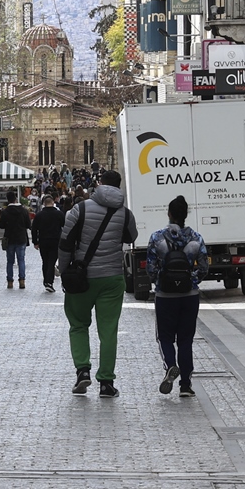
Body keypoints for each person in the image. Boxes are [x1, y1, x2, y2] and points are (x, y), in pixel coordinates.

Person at [58, 170, 138, 398]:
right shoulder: (125, 213)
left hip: (82, 278)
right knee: (109, 330)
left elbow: (65, 245)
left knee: (78, 325)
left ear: (100, 184)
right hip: (112, 279)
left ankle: (83, 371)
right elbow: (131, 237)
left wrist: (65, 273)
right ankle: (106, 383)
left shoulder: (79, 209)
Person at [146, 196, 207, 397]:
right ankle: (186, 385)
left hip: (165, 295)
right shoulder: (196, 238)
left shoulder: (157, 238)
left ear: (169, 214)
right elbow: (204, 266)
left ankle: (171, 365)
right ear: (186, 214)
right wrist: (193, 280)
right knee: (186, 339)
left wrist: (159, 282)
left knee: (164, 336)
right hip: (189, 295)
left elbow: (151, 268)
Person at [31, 194, 65, 293]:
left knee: (45, 261)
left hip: (43, 241)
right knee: (52, 261)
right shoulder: (59, 214)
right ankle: (49, 282)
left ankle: (46, 280)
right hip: (55, 241)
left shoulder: (39, 215)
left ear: (44, 204)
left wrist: (35, 242)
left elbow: (34, 229)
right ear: (53, 202)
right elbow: (65, 226)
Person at [0, 190, 31, 289]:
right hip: (21, 238)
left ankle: (10, 281)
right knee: (21, 260)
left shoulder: (5, 211)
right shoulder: (24, 210)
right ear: (16, 199)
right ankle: (22, 281)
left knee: (10, 261)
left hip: (10, 239)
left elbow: (1, 225)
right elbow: (28, 225)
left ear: (8, 200)